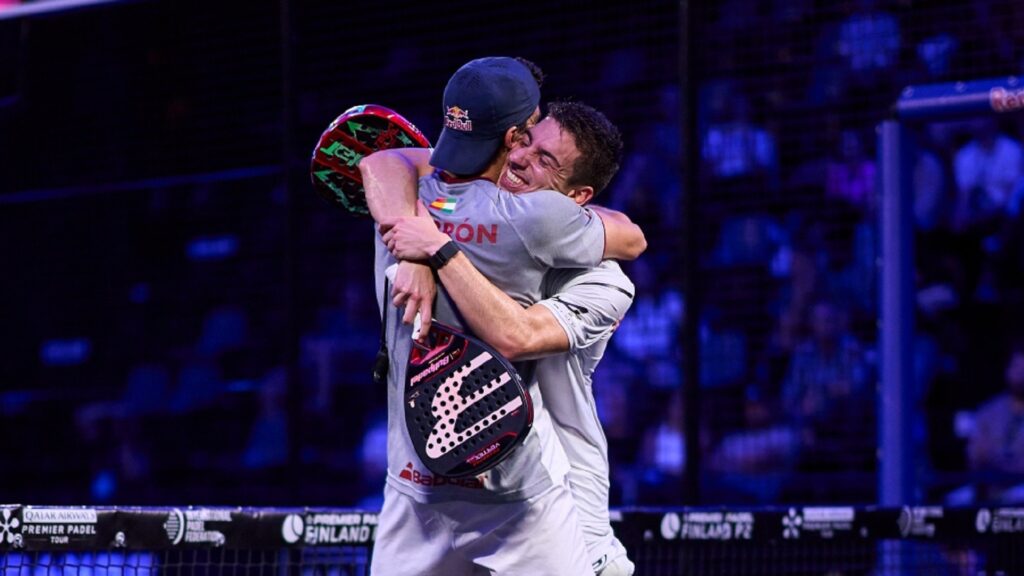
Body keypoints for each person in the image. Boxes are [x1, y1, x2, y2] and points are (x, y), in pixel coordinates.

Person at [358, 57, 645, 575]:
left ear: (579, 198)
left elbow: (383, 162)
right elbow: (631, 233)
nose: (521, 159)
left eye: (545, 160)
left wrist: (430, 249)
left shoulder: (411, 208)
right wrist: (416, 252)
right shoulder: (440, 215)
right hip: (448, 491)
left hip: (541, 493)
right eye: (525, 144)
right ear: (512, 136)